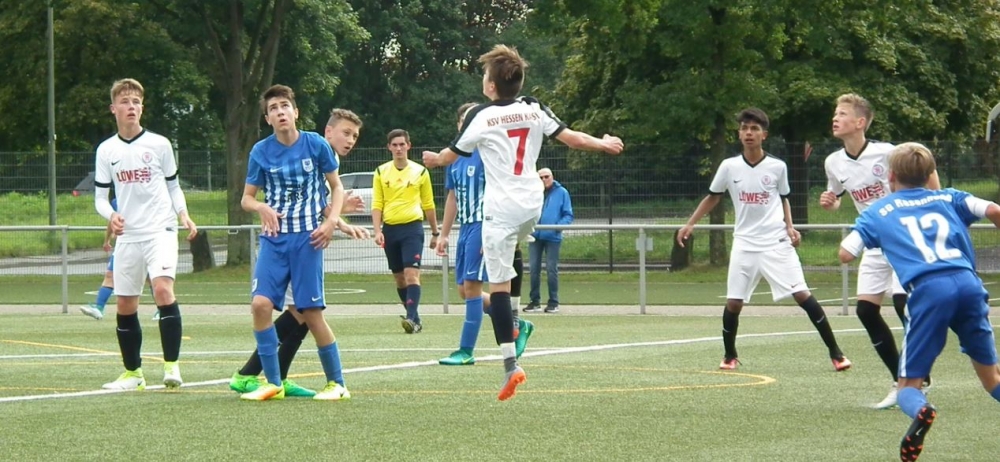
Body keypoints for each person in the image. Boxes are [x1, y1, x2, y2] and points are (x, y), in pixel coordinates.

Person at [423, 44, 624, 400]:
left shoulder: (480, 116)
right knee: (514, 245)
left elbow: (450, 156)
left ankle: (510, 365)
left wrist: (433, 159)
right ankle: (517, 320)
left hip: (501, 209)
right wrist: (604, 143)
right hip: (532, 204)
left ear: (490, 85)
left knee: (498, 286)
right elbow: (572, 139)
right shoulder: (533, 107)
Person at [838, 142, 1000, 461]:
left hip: (929, 290)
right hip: (969, 284)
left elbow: (846, 253)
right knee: (991, 377)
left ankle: (921, 410)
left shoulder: (878, 212)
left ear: (891, 176)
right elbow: (994, 210)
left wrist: (880, 238)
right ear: (929, 175)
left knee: (907, 388)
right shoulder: (949, 197)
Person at [677, 107, 851, 372]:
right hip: (744, 244)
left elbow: (784, 199)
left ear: (764, 135)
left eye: (754, 129)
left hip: (775, 242)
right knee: (734, 302)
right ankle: (729, 355)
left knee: (802, 293)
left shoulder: (777, 167)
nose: (749, 133)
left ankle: (836, 353)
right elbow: (713, 196)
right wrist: (691, 223)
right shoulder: (729, 166)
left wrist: (790, 228)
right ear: (739, 134)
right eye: (744, 128)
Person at [229, 108, 368, 397]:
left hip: (305, 241)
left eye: (355, 136)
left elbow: (318, 204)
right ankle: (252, 375)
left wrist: (340, 222)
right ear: (328, 132)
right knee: (300, 313)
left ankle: (276, 377)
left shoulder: (320, 156)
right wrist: (338, 219)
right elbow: (316, 204)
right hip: (287, 241)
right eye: (346, 133)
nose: (350, 140)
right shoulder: (310, 152)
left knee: (302, 314)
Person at [820, 93, 940, 409]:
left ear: (860, 122)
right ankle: (901, 382)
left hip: (903, 238)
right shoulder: (833, 161)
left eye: (842, 113)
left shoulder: (887, 152)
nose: (835, 118)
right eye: (835, 113)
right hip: (874, 239)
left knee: (903, 304)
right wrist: (830, 203)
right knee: (865, 311)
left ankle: (916, 378)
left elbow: (926, 167)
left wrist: (936, 201)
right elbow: (836, 198)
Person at [93, 78, 198, 390]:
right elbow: (100, 198)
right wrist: (111, 216)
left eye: (136, 102)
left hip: (160, 230)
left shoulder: (160, 144)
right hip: (129, 236)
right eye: (125, 102)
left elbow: (173, 187)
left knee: (163, 289)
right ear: (113, 109)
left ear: (142, 108)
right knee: (125, 304)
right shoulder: (106, 150)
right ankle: (133, 374)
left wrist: (183, 214)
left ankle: (172, 367)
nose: (131, 107)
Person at [436, 103, 534, 366]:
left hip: (485, 223)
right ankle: (516, 325)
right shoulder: (454, 158)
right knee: (463, 290)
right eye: (465, 120)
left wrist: (495, 232)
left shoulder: (490, 153)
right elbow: (452, 197)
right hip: (466, 228)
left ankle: (466, 350)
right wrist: (444, 234)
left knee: (472, 287)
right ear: (459, 125)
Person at [372, 129, 439, 334]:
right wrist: (377, 230)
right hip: (390, 230)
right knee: (400, 278)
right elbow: (377, 203)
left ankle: (410, 318)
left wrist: (435, 232)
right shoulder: (381, 172)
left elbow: (428, 204)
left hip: (412, 229)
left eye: (402, 144)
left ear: (409, 146)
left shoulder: (420, 172)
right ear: (389, 147)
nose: (399, 148)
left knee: (411, 275)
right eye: (395, 145)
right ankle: (415, 319)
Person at [523, 168, 573, 314]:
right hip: (535, 236)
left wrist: (557, 227)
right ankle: (535, 301)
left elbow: (568, 215)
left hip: (553, 237)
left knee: (551, 269)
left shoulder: (562, 192)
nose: (544, 180)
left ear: (552, 177)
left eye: (547, 177)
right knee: (533, 269)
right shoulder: (532, 192)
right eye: (541, 177)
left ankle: (553, 302)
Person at [80, 199, 118, 320]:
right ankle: (99, 307)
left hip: (145, 244)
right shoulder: (116, 201)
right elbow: (112, 221)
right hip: (123, 246)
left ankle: (163, 309)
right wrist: (107, 240)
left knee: (152, 278)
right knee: (110, 275)